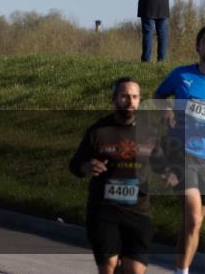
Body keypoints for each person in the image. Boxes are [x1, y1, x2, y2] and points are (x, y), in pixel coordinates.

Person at [70, 77, 174, 274]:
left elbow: (161, 163)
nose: (130, 101)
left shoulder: (149, 132)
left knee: (134, 270)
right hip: (104, 211)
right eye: (125, 96)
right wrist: (87, 166)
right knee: (109, 266)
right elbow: (75, 165)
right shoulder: (98, 131)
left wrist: (168, 175)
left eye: (135, 97)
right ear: (114, 99)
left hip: (138, 211)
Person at [153, 26, 205, 274]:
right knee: (193, 216)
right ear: (198, 47)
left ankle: (179, 269)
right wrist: (165, 109)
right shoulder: (181, 75)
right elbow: (160, 94)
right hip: (182, 153)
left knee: (194, 223)